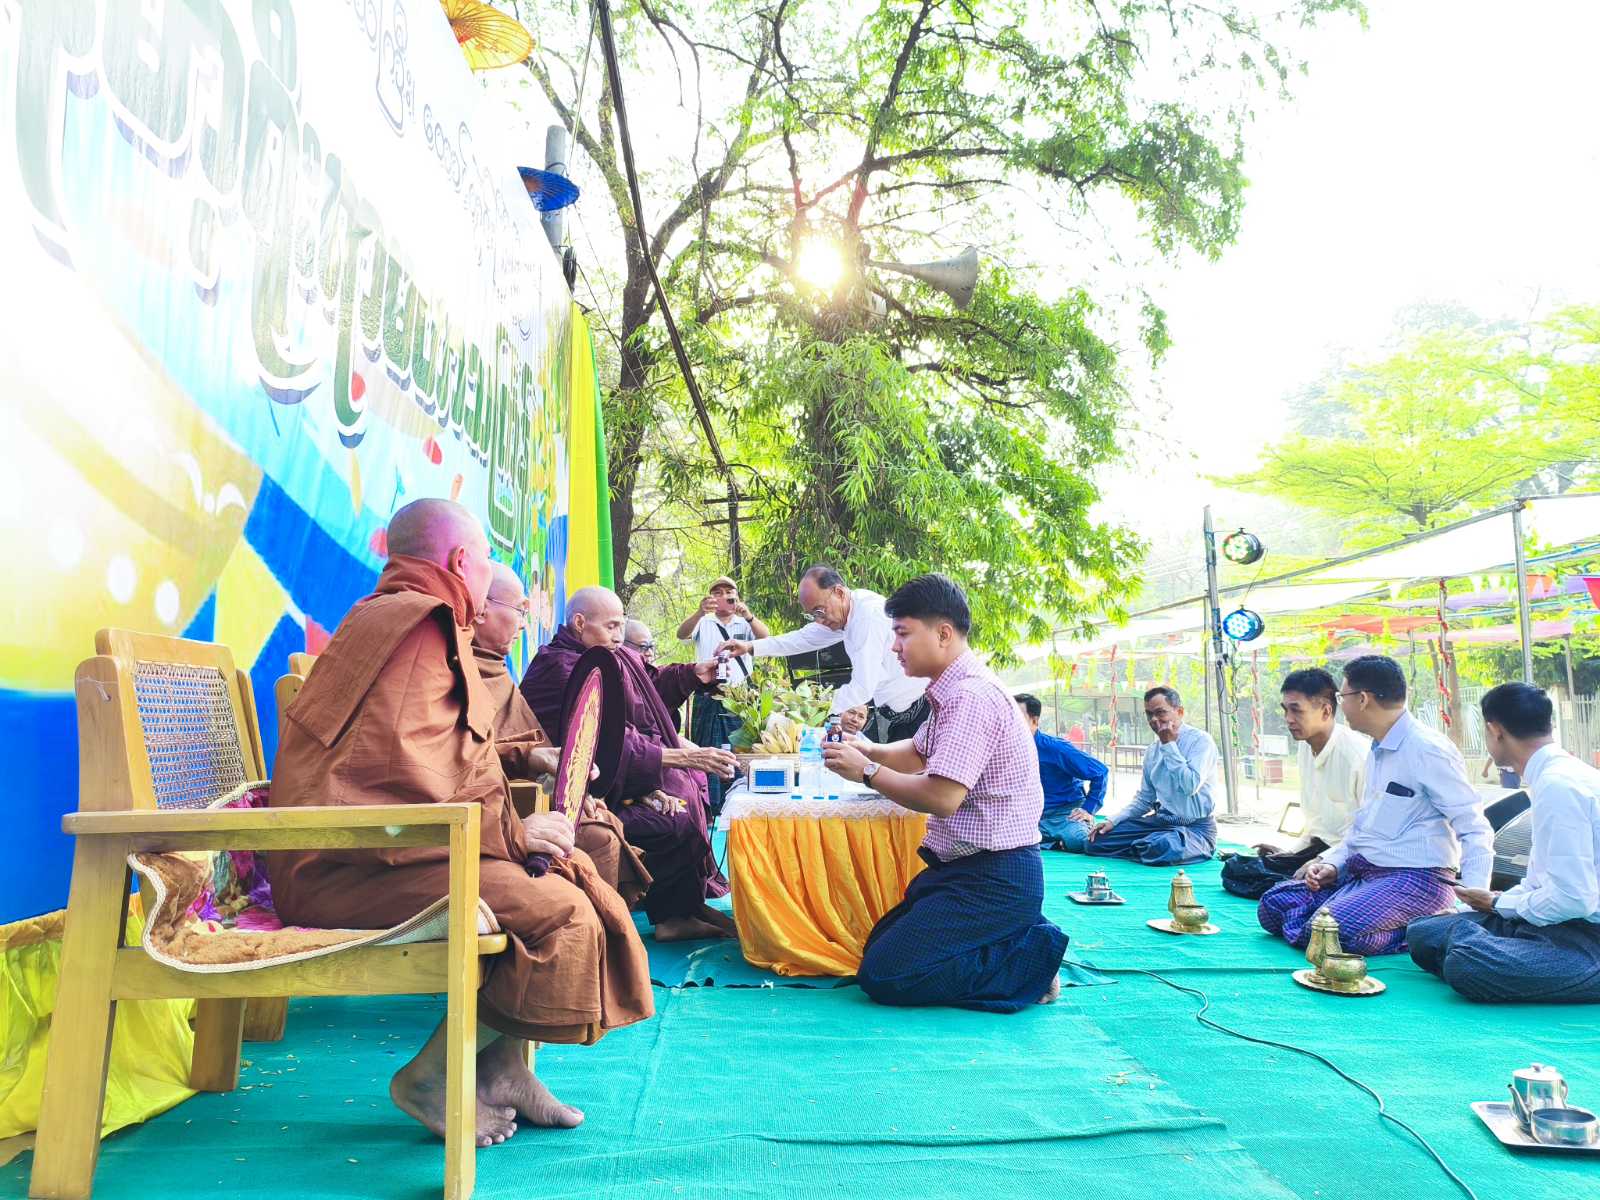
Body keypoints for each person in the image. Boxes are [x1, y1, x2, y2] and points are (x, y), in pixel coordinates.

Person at [267, 499, 653, 1147]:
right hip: (348, 866)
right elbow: (400, 771)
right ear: (461, 561)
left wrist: (523, 778)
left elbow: (433, 750)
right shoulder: (422, 624)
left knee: (568, 872)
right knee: (562, 911)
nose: (488, 579)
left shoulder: (391, 617)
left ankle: (502, 1067)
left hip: (369, 848)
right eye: (486, 564)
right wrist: (515, 836)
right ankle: (431, 1076)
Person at [822, 574, 1067, 1012]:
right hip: (966, 869)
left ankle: (1031, 957)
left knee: (885, 976)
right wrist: (868, 749)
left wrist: (868, 772)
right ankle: (1014, 936)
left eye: (902, 633)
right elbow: (917, 753)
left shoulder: (970, 696)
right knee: (879, 948)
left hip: (996, 876)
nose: (894, 647)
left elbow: (941, 797)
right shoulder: (952, 689)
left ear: (943, 633)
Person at [521, 586, 739, 943]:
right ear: (580, 623)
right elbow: (603, 742)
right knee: (675, 818)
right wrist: (682, 758)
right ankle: (672, 917)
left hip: (609, 784)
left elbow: (648, 684)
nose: (619, 636)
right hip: (576, 796)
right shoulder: (560, 668)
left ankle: (687, 908)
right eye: (611, 627)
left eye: (621, 625)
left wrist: (693, 674)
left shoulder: (609, 654)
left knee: (683, 795)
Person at [1257, 655, 1493, 956]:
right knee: (1272, 905)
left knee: (1328, 934)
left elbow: (1474, 827)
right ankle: (1352, 917)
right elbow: (1362, 828)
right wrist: (1332, 864)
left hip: (1416, 880)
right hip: (1365, 872)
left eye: (1342, 697)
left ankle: (1424, 927)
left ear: (1363, 699)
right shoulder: (1378, 748)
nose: (1341, 707)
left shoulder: (1427, 749)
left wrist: (1469, 906)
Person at [472, 563, 651, 908]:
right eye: (519, 611)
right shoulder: (457, 664)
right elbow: (463, 760)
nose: (523, 624)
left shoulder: (493, 668)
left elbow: (522, 743)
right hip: (492, 814)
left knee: (606, 822)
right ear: (480, 609)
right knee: (597, 841)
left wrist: (570, 789)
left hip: (525, 795)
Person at [1408, 684, 1600, 1002]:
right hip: (1553, 924)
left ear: (1495, 730)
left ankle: (1477, 946)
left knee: (1468, 964)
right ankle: (1479, 943)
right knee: (1422, 932)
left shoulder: (1559, 786)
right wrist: (1499, 902)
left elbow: (1574, 900)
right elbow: (1542, 883)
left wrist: (1497, 906)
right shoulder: (1554, 777)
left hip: (1587, 938)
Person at [718, 565, 929, 742]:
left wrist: (807, 709)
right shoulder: (846, 612)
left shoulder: (866, 618)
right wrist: (750, 647)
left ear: (839, 593)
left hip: (920, 712)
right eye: (812, 615)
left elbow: (862, 689)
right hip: (897, 714)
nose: (819, 620)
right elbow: (803, 638)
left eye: (819, 611)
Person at [1220, 669, 1368, 899]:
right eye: (1285, 710)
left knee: (1281, 897)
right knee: (1236, 869)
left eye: (1296, 710)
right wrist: (1289, 853)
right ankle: (1294, 882)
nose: (1288, 719)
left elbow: (1363, 836)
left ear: (1326, 711)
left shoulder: (1357, 756)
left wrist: (1322, 861)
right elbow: (1315, 825)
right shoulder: (1305, 747)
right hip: (1317, 851)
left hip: (1346, 860)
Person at [1082, 687, 1218, 866]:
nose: (1154, 720)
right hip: (1161, 822)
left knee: (1164, 846)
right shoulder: (1152, 751)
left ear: (1179, 712)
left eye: (1160, 713)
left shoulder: (1200, 741)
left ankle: (1154, 846)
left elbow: (1190, 786)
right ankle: (1147, 847)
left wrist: (1168, 745)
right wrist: (1113, 821)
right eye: (1149, 714)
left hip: (1196, 828)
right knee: (1095, 842)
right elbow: (1144, 800)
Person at [678, 578, 767, 802]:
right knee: (706, 747)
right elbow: (681, 634)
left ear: (736, 596)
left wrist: (748, 616)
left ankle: (741, 799)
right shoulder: (703, 621)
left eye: (729, 592)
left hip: (740, 698)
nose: (724, 596)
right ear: (711, 598)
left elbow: (765, 638)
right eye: (717, 592)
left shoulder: (744, 622)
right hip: (708, 694)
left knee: (741, 749)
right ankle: (708, 802)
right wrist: (699, 612)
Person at [1013, 693, 1107, 852]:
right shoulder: (1005, 748)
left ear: (1034, 720)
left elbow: (1100, 772)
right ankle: (1055, 844)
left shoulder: (1057, 748)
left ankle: (1063, 837)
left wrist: (1088, 809)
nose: (1010, 722)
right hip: (1029, 817)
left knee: (1080, 841)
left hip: (1064, 814)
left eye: (1016, 717)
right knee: (997, 840)